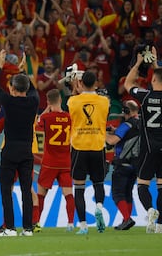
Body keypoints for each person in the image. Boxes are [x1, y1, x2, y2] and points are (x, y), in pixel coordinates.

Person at [124, 47, 162, 234]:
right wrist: (155, 62)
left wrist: (138, 62)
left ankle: (150, 210)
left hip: (149, 148)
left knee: (143, 184)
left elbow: (128, 83)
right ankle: (161, 226)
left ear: (153, 79)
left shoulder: (146, 97)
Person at [0, 49, 39, 237]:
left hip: (10, 150)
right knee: (26, 190)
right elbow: (32, 90)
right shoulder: (33, 102)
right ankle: (27, 229)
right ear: (25, 89)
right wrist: (23, 71)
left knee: (6, 190)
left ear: (11, 88)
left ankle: (10, 228)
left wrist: (1, 66)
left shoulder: (8, 102)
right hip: (27, 151)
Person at [67, 71, 109, 234]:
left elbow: (72, 105)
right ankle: (98, 206)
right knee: (98, 182)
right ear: (96, 84)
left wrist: (76, 89)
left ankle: (83, 225)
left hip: (79, 147)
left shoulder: (73, 101)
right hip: (98, 145)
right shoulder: (104, 101)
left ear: (81, 84)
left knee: (79, 187)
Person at [36, 89, 74, 232]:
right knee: (68, 194)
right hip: (65, 162)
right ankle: (70, 223)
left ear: (48, 102)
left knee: (41, 195)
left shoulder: (46, 118)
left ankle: (37, 223)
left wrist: (47, 108)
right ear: (61, 100)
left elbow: (38, 124)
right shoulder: (69, 117)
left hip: (49, 163)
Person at [106, 100, 139, 231]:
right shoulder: (141, 124)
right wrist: (116, 130)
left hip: (122, 164)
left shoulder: (126, 125)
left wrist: (98, 132)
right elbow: (129, 137)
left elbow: (112, 141)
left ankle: (127, 218)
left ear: (127, 111)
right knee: (128, 193)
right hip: (135, 165)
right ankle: (126, 220)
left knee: (118, 194)